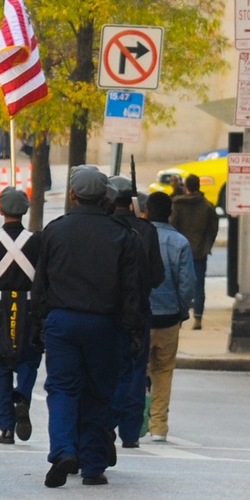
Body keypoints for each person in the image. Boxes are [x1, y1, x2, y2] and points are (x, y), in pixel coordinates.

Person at [31, 166, 141, 488]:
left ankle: (63, 449)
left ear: (72, 195)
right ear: (105, 197)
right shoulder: (123, 236)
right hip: (105, 324)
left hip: (62, 321)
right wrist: (132, 331)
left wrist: (38, 322)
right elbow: (130, 292)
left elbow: (41, 283)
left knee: (62, 389)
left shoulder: (55, 230)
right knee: (99, 392)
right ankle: (93, 465)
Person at [109, 175, 165, 449]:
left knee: (106, 369)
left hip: (107, 310)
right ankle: (130, 432)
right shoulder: (145, 230)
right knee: (134, 371)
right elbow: (157, 276)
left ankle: (106, 421)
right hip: (139, 311)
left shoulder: (106, 227)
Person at [0, 187, 43, 445]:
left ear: (0, 210)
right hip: (29, 309)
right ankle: (22, 396)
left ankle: (6, 427)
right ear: (25, 211)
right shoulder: (37, 242)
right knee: (28, 361)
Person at [143, 191, 196, 443]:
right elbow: (187, 284)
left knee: (137, 369)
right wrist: (182, 310)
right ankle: (159, 425)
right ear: (170, 213)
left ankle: (133, 420)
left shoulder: (138, 237)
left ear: (147, 211)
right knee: (163, 371)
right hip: (168, 316)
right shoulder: (180, 242)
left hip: (142, 316)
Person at [171, 173, 220, 329]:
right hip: (200, 251)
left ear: (186, 187)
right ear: (199, 186)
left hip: (180, 251)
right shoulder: (206, 206)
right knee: (199, 285)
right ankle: (197, 318)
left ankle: (179, 316)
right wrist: (206, 246)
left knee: (178, 284)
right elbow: (213, 229)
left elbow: (173, 226)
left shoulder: (177, 205)